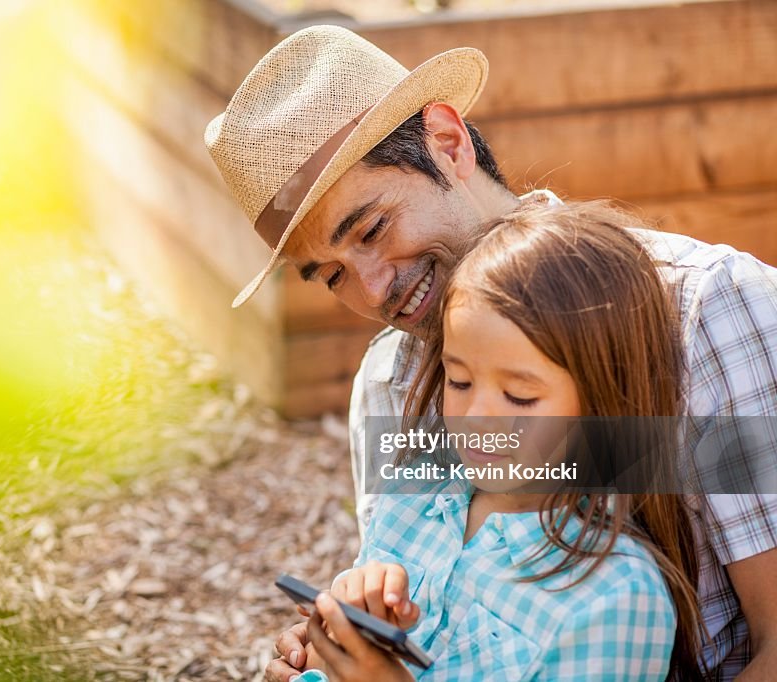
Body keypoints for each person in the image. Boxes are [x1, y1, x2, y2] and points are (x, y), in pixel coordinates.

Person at [202, 25, 777, 681]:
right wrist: (339, 651)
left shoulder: (709, 309)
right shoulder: (392, 382)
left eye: (371, 228)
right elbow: (426, 623)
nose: (372, 289)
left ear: (448, 143)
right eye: (330, 275)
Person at [300, 201, 706, 681]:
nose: (476, 418)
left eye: (519, 396)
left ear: (606, 402)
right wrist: (333, 642)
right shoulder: (415, 494)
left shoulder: (616, 597)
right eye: (459, 381)